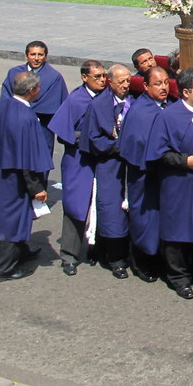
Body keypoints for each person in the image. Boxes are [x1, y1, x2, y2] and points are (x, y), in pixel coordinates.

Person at [0, 71, 53, 282]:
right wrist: (37, 188)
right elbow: (26, 160)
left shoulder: (1, 107)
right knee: (11, 221)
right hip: (15, 178)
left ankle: (22, 251)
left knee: (16, 218)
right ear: (32, 90)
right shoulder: (25, 117)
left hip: (0, 170)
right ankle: (5, 269)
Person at [149, 68, 193, 300]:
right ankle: (178, 277)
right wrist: (185, 161)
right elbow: (158, 152)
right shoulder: (169, 116)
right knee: (176, 228)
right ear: (185, 92)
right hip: (178, 181)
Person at [48, 61, 108, 275]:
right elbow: (64, 134)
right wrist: (91, 138)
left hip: (103, 159)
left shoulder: (107, 97)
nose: (102, 80)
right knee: (76, 206)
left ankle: (97, 249)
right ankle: (69, 255)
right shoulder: (75, 100)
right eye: (97, 77)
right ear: (84, 78)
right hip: (79, 160)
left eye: (104, 76)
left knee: (103, 204)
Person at [77, 64, 133, 279]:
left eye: (128, 81)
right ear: (110, 82)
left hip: (131, 164)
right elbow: (93, 138)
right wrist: (118, 146)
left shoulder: (134, 101)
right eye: (121, 82)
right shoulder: (99, 105)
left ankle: (127, 252)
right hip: (110, 164)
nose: (126, 85)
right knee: (111, 210)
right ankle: (114, 258)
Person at [118, 65, 171, 283]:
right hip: (144, 173)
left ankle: (158, 256)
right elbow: (137, 142)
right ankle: (141, 260)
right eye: (157, 84)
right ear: (146, 86)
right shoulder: (141, 111)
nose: (163, 87)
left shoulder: (166, 105)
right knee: (144, 217)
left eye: (166, 82)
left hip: (161, 174)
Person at [0, 41, 68, 130]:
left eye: (40, 55)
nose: (36, 58)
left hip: (41, 126)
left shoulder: (54, 77)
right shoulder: (14, 72)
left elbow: (56, 105)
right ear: (26, 55)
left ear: (45, 56)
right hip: (14, 122)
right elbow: (6, 97)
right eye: (32, 54)